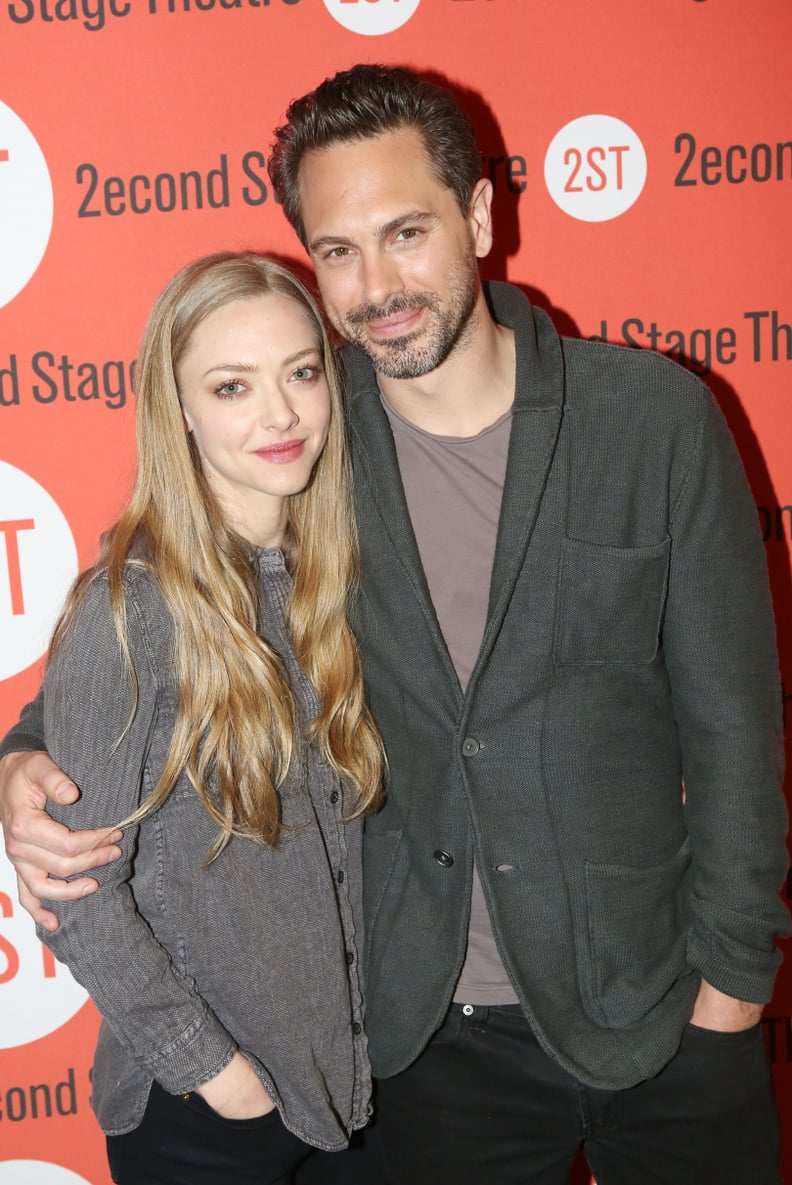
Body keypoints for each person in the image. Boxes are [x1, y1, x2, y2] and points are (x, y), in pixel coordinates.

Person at [1, 65, 789, 1185]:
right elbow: (149, 641)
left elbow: (736, 733)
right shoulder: (308, 444)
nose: (379, 285)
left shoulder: (652, 421)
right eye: (337, 251)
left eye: (407, 231)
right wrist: (22, 758)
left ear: (478, 216)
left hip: (665, 1009)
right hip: (424, 1047)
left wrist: (733, 993)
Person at [2, 251, 385, 1185]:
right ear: (178, 408)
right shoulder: (133, 607)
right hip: (210, 1120)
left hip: (356, 1092)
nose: (282, 414)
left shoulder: (341, 574)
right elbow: (75, 894)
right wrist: (218, 1076)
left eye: (301, 372)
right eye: (232, 386)